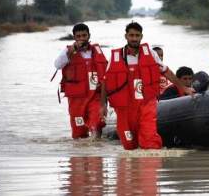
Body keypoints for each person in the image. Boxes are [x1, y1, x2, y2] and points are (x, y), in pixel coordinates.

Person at [101, 22, 194, 150]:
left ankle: (150, 167)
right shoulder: (115, 57)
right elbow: (105, 81)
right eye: (131, 35)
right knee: (129, 145)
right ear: (126, 36)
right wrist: (103, 105)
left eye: (137, 35)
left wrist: (183, 88)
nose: (134, 38)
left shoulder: (151, 54)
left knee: (150, 141)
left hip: (147, 103)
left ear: (141, 36)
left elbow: (167, 72)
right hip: (125, 108)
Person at [54, 23, 108, 140]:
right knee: (79, 133)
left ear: (89, 36)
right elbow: (57, 65)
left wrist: (105, 103)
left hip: (95, 96)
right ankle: (80, 156)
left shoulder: (97, 51)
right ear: (74, 37)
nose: (82, 39)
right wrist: (72, 50)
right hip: (76, 100)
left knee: (97, 123)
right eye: (78, 36)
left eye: (84, 35)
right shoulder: (68, 51)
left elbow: (106, 74)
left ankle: (96, 153)